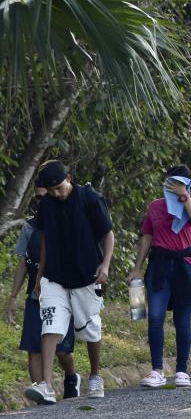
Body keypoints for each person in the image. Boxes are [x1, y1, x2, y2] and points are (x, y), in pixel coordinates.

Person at [26, 160, 113, 404]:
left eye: (58, 188)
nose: (55, 193)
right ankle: (46, 385)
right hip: (55, 277)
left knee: (90, 328)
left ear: (69, 178)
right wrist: (41, 276)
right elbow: (45, 241)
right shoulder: (47, 206)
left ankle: (95, 376)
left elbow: (108, 233)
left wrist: (104, 265)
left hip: (86, 275)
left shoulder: (89, 199)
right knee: (50, 326)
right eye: (50, 190)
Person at [128, 165, 191, 388]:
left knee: (182, 318)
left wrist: (184, 196)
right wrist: (137, 268)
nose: (174, 186)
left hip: (185, 266)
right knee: (155, 316)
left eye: (180, 182)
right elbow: (146, 238)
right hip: (160, 266)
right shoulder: (155, 207)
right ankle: (157, 370)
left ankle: (182, 370)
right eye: (171, 182)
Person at [8, 182, 79, 400]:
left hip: (62, 293)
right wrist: (13, 296)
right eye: (37, 198)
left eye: (45, 196)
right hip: (35, 295)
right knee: (34, 349)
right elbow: (23, 262)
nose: (42, 202)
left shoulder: (67, 221)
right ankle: (42, 393)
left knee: (61, 350)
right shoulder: (30, 227)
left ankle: (71, 376)